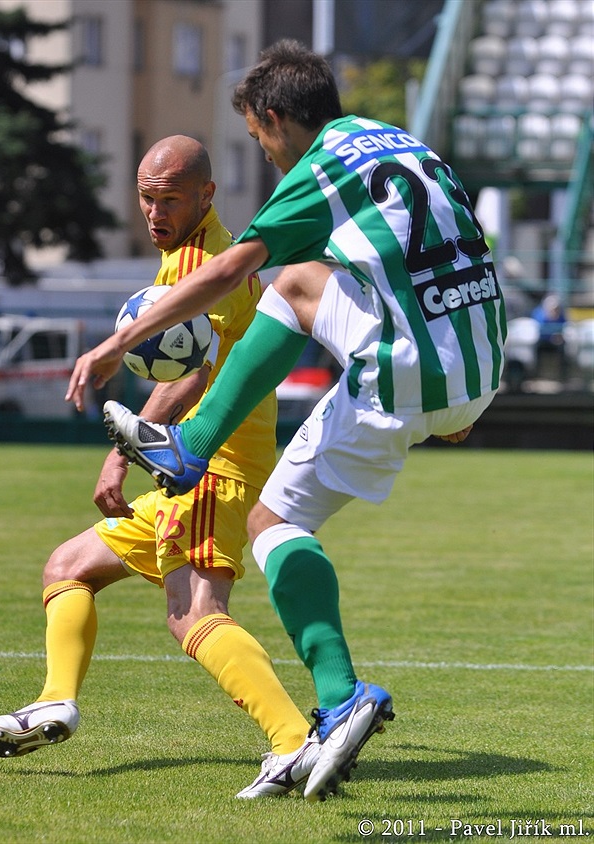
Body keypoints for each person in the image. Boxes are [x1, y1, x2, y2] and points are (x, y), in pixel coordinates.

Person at [66, 41, 508, 802]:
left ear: (274, 119)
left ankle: (341, 698)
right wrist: (455, 398)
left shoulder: (319, 169)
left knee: (273, 522)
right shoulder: (399, 141)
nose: (266, 158)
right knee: (300, 284)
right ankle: (190, 448)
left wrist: (117, 342)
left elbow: (231, 268)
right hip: (481, 358)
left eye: (258, 140)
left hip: (409, 372)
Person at [0, 135, 322, 800]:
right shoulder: (188, 257)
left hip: (213, 469)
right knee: (68, 567)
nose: (154, 212)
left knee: (192, 613)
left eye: (170, 199)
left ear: (206, 197)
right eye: (146, 197)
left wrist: (118, 452)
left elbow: (188, 379)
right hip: (183, 469)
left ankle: (294, 741)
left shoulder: (204, 260)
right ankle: (54, 703)